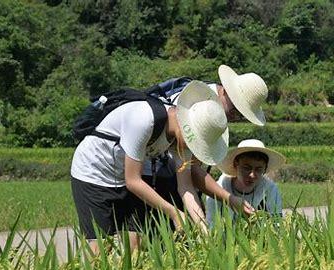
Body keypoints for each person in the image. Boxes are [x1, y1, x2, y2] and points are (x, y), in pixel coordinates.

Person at [70, 80, 253, 253]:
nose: (193, 148)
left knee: (135, 241)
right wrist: (173, 212)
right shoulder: (144, 119)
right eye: (194, 142)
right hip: (94, 173)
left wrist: (203, 228)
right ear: (187, 126)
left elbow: (186, 187)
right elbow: (133, 181)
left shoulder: (182, 140)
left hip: (120, 174)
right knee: (100, 247)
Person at [140, 64, 270, 228]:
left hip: (173, 175)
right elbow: (191, 171)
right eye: (236, 110)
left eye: (242, 115)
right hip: (150, 172)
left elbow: (188, 171)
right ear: (225, 91)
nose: (236, 117)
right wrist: (229, 199)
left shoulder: (215, 113)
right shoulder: (196, 106)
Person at [206, 139, 286, 228]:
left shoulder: (270, 190)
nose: (252, 175)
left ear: (265, 169)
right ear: (236, 164)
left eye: (258, 169)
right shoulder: (218, 190)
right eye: (246, 168)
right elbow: (211, 225)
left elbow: (277, 224)